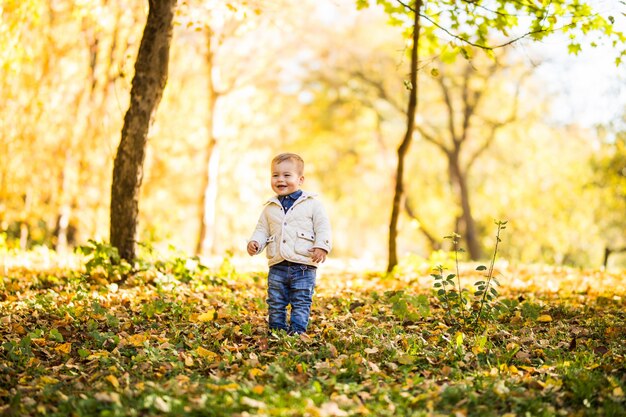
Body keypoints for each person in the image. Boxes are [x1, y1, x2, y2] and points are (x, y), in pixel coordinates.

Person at [247, 153, 332, 335]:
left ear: (300, 179)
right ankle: (277, 330)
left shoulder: (312, 205)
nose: (280, 179)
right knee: (276, 300)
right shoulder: (270, 207)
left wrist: (322, 246)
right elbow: (262, 229)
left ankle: (297, 331)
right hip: (278, 264)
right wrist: (255, 242)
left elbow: (323, 227)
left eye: (287, 175)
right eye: (275, 175)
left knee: (301, 300)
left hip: (303, 265)